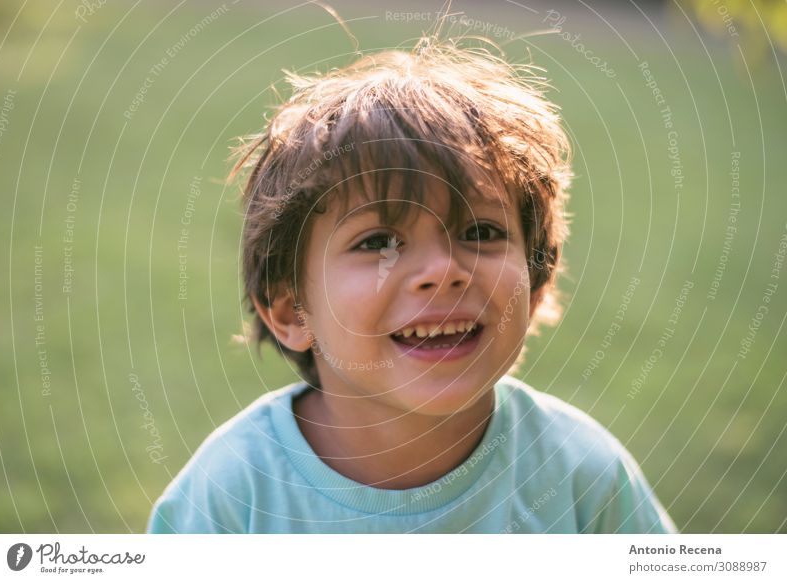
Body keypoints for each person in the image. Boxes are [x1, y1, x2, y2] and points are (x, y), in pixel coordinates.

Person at [147, 34, 677, 534]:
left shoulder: (584, 479)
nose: (444, 270)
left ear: (536, 285)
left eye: (482, 232)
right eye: (378, 241)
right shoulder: (230, 498)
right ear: (291, 312)